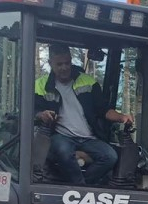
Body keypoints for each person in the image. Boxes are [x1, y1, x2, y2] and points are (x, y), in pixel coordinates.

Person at [34, 43, 134, 185]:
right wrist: (42, 115)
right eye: (59, 64)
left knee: (110, 156)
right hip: (60, 136)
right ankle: (81, 188)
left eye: (67, 63)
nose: (64, 68)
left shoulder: (88, 81)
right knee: (63, 151)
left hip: (88, 138)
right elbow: (33, 111)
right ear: (50, 63)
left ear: (70, 60)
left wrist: (121, 117)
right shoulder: (40, 85)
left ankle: (81, 186)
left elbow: (103, 110)